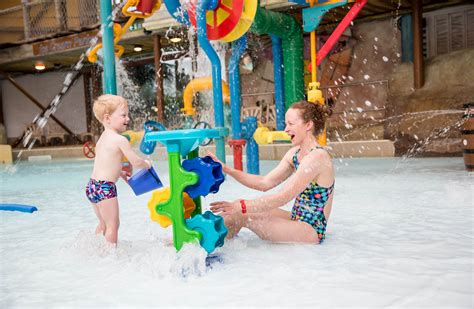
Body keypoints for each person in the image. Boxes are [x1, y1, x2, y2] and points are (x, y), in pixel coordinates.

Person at [210, 100, 335, 244]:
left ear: (308, 125)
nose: (286, 129)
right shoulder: (294, 154)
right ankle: (222, 246)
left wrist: (242, 206)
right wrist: (226, 169)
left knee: (241, 212)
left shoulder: (317, 157)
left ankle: (212, 249)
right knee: (236, 208)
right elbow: (264, 183)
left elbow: (283, 197)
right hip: (296, 219)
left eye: (291, 124)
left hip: (310, 231)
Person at [85, 94, 151, 245]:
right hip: (105, 188)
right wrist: (147, 164)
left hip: (92, 186)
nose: (128, 119)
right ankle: (111, 258)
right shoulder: (120, 140)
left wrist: (119, 172)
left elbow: (104, 162)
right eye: (123, 115)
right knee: (113, 226)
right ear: (107, 118)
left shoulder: (103, 137)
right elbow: (135, 161)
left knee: (103, 224)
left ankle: (94, 249)